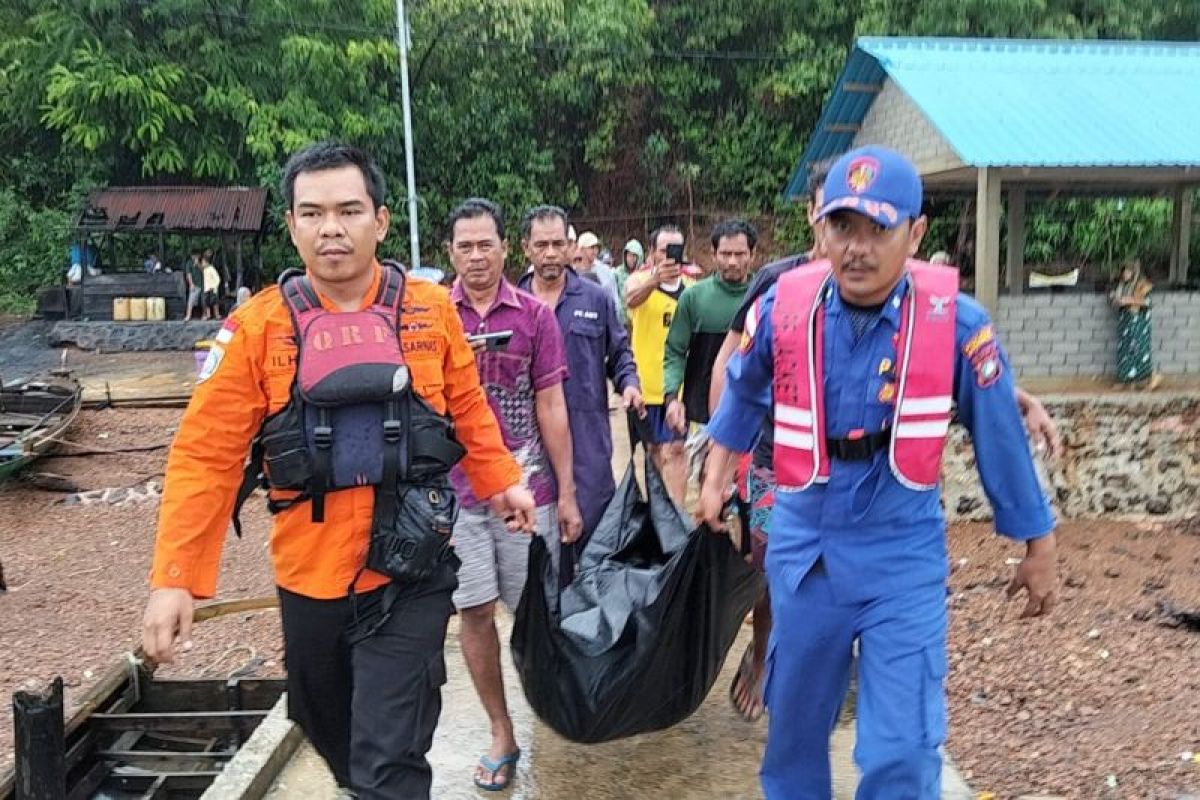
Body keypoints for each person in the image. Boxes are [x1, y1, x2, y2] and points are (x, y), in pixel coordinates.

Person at [142, 142, 535, 799]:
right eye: (313, 213)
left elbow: (467, 407)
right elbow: (205, 454)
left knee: (390, 759)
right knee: (325, 726)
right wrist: (175, 579)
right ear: (292, 225)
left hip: (411, 570)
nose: (331, 228)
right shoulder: (257, 326)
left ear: (380, 221)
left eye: (349, 210)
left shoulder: (430, 308)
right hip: (309, 575)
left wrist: (502, 483)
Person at [699, 146, 1058, 799]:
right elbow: (744, 388)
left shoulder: (958, 324)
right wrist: (716, 472)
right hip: (808, 549)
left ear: (916, 234)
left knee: (902, 748)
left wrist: (1038, 542)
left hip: (902, 553)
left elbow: (998, 432)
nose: (857, 249)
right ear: (819, 229)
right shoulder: (784, 307)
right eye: (843, 227)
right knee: (794, 736)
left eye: (879, 229)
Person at [444, 198, 582, 792]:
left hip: (530, 491)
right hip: (455, 496)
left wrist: (569, 493)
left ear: (507, 249)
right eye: (465, 246)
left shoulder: (533, 317)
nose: (477, 256)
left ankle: (552, 704)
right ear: (450, 252)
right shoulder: (430, 317)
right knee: (473, 612)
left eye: (486, 245)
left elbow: (552, 404)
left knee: (534, 613)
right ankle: (502, 731)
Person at [517, 205, 645, 542]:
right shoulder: (513, 307)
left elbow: (619, 354)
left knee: (592, 540)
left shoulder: (596, 299)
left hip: (588, 443)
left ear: (571, 247)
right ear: (525, 248)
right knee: (537, 549)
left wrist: (629, 384)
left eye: (558, 244)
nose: (550, 254)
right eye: (541, 245)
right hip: (527, 445)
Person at [663, 219, 755, 489]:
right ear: (713, 254)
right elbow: (675, 351)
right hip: (703, 413)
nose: (732, 261)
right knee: (707, 483)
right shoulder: (694, 298)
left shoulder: (765, 296)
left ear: (752, 255)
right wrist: (672, 398)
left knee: (748, 488)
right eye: (725, 254)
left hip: (754, 414)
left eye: (740, 254)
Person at [625, 224, 692, 503]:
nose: (669, 257)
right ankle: (659, 513)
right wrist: (655, 279)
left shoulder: (692, 290)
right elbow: (629, 299)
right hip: (646, 387)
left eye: (675, 250)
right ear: (651, 252)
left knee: (675, 450)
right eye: (663, 250)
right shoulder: (638, 282)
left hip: (677, 391)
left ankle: (677, 522)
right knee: (653, 450)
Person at [1109, 259, 1162, 390]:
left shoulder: (1142, 284)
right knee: (1125, 351)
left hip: (1139, 323)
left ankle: (1151, 377)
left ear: (1134, 272)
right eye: (1124, 272)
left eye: (1128, 271)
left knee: (1138, 351)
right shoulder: (1122, 285)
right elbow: (1114, 299)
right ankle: (1126, 380)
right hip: (1126, 323)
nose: (1125, 274)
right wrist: (1115, 298)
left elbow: (1148, 302)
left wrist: (1129, 300)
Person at [575, 231, 620, 309]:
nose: (595, 251)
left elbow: (614, 298)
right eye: (591, 248)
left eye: (596, 247)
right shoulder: (574, 272)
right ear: (581, 249)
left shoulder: (605, 271)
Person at [614, 239, 645, 326]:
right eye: (629, 255)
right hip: (622, 319)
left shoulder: (644, 273)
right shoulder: (617, 273)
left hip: (639, 318)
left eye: (634, 256)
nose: (631, 259)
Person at [183, 250, 203, 321]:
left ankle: (205, 315)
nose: (196, 257)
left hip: (203, 284)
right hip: (195, 284)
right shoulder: (189, 263)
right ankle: (188, 315)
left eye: (197, 255)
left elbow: (204, 271)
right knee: (191, 300)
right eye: (194, 255)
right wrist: (191, 284)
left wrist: (198, 264)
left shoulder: (202, 261)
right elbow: (188, 274)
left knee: (204, 300)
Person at [201, 253, 222, 320]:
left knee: (214, 302)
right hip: (206, 289)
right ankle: (208, 315)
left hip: (212, 288)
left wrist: (215, 287)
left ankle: (217, 315)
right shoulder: (205, 270)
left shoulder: (211, 269)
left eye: (203, 262)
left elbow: (217, 279)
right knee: (206, 303)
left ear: (207, 262)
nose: (202, 264)